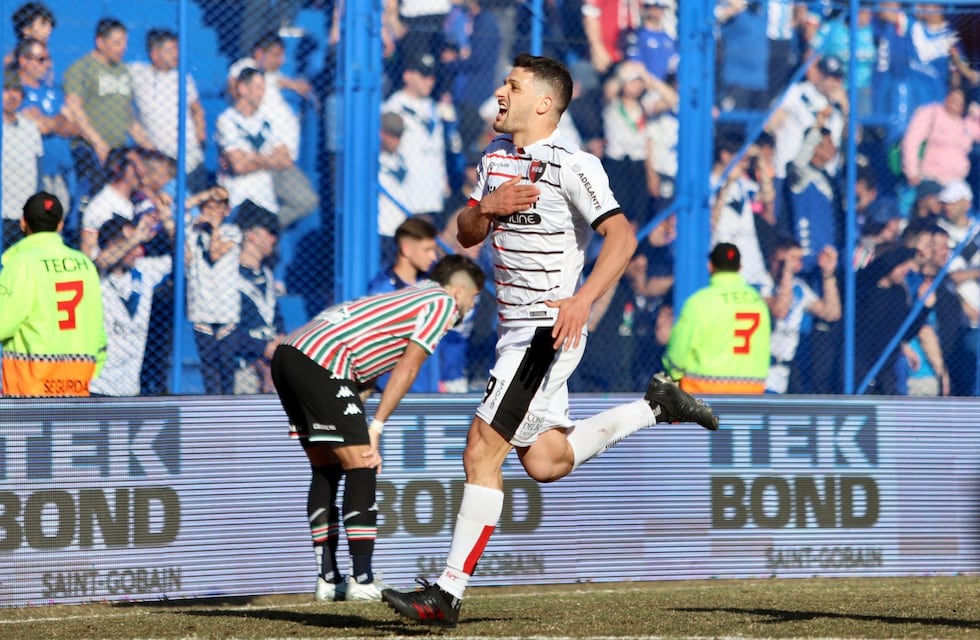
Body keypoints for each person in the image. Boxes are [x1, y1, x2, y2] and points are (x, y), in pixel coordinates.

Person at [381, 53, 717, 630]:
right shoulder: (494, 160)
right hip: (513, 331)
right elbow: (464, 237)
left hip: (546, 330)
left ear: (543, 103)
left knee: (482, 449)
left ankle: (447, 593)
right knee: (545, 460)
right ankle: (656, 405)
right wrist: (486, 207)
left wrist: (584, 298)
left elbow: (623, 236)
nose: (500, 92)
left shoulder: (574, 165)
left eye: (511, 85)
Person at [270, 254, 485, 602]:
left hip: (290, 354)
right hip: (324, 359)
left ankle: (328, 580)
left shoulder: (408, 296)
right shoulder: (441, 302)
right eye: (474, 298)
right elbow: (408, 368)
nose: (471, 306)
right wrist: (377, 426)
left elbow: (366, 365)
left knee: (326, 467)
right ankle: (362, 579)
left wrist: (360, 410)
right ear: (459, 291)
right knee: (364, 463)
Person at [0, 192, 105, 396]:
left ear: (23, 223)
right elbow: (97, 329)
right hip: (76, 387)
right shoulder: (85, 264)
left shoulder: (21, 264)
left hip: (29, 391)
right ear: (60, 225)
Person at [664, 242, 771, 394]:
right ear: (740, 268)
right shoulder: (758, 302)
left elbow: (677, 354)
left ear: (710, 266)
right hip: (750, 391)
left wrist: (674, 376)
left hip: (704, 391)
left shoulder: (699, 302)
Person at [63, 18, 151, 196]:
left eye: (125, 42)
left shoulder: (123, 70)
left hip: (118, 149)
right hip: (89, 149)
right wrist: (98, 144)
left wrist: (147, 145)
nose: (123, 48)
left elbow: (127, 112)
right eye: (117, 43)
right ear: (100, 42)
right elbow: (75, 109)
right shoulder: (81, 68)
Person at [89, 216, 172, 396]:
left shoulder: (145, 270)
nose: (138, 251)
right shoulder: (94, 275)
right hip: (96, 386)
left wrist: (167, 218)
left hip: (129, 388)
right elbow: (102, 261)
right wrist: (137, 236)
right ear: (112, 244)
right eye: (131, 244)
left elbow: (184, 259)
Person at [129, 29, 208, 192]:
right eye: (170, 50)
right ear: (154, 54)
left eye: (177, 49)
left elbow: (197, 109)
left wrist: (201, 137)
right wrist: (139, 135)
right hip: (160, 163)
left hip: (190, 159)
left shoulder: (182, 78)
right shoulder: (137, 74)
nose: (176, 54)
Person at [185, 186, 243, 395]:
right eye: (208, 208)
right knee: (208, 364)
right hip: (201, 305)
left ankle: (229, 409)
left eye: (217, 207)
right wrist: (205, 194)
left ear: (226, 210)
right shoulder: (192, 230)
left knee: (226, 363)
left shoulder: (232, 232)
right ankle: (211, 408)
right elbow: (180, 209)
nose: (212, 212)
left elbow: (215, 253)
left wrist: (215, 227)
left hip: (226, 308)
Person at [763, 239, 841, 394]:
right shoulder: (763, 284)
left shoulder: (798, 287)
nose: (794, 265)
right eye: (788, 260)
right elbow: (780, 310)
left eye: (797, 260)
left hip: (787, 365)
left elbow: (831, 313)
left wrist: (828, 274)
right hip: (765, 364)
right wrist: (786, 272)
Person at [12, 37, 77, 216]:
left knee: (58, 224)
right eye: (41, 59)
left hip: (60, 172)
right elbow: (39, 128)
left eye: (48, 59)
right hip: (33, 174)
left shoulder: (54, 92)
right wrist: (62, 117)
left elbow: (74, 127)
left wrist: (49, 122)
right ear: (23, 60)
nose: (46, 65)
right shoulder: (15, 92)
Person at [1, 72, 43, 249]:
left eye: (17, 90)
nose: (12, 96)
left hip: (24, 214)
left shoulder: (30, 127)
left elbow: (38, 167)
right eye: (6, 90)